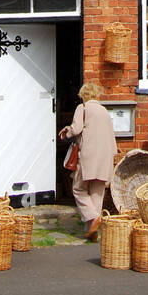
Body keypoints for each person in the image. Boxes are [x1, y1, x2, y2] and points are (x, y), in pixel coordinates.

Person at [58, 81, 118, 240]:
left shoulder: (82, 108)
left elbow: (76, 129)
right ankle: (91, 229)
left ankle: (92, 217)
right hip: (105, 157)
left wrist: (67, 132)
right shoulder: (104, 111)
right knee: (97, 192)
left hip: (88, 155)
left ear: (83, 96)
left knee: (78, 188)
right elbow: (112, 137)